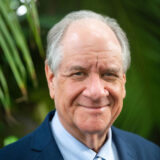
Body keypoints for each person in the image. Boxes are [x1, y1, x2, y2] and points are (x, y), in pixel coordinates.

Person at [0, 10, 160, 160]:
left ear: (123, 82)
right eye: (78, 73)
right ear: (51, 79)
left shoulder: (151, 154)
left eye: (109, 74)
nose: (96, 92)